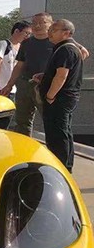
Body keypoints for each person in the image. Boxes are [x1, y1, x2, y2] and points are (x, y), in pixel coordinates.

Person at [1, 12, 89, 137]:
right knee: (22, 122)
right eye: (34, 23)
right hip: (25, 84)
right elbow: (19, 66)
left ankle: (53, 147)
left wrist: (63, 72)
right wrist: (9, 84)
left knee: (51, 121)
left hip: (47, 86)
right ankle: (25, 146)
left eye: (42, 23)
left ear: (51, 25)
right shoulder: (26, 43)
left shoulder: (58, 41)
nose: (37, 26)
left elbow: (84, 53)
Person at [37, 19, 83, 172]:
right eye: (50, 29)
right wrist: (45, 76)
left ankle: (61, 168)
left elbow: (61, 76)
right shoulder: (67, 48)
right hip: (65, 98)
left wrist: (50, 96)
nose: (50, 32)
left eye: (54, 30)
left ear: (66, 33)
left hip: (59, 99)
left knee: (57, 134)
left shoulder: (66, 50)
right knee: (64, 132)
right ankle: (66, 166)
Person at [0, 21, 32, 100]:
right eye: (26, 33)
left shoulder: (22, 48)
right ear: (16, 31)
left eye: (30, 34)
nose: (27, 36)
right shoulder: (3, 44)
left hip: (11, 89)